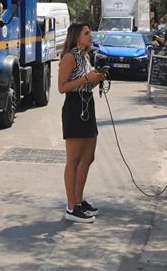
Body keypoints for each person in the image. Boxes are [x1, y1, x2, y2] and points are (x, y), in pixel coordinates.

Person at [58, 22, 107, 223]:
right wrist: (87, 77)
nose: (90, 35)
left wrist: (97, 78)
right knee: (74, 159)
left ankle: (79, 200)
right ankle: (71, 206)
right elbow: (62, 87)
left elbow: (86, 83)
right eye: (86, 32)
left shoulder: (86, 56)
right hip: (75, 107)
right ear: (77, 35)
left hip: (88, 104)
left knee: (88, 157)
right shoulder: (70, 57)